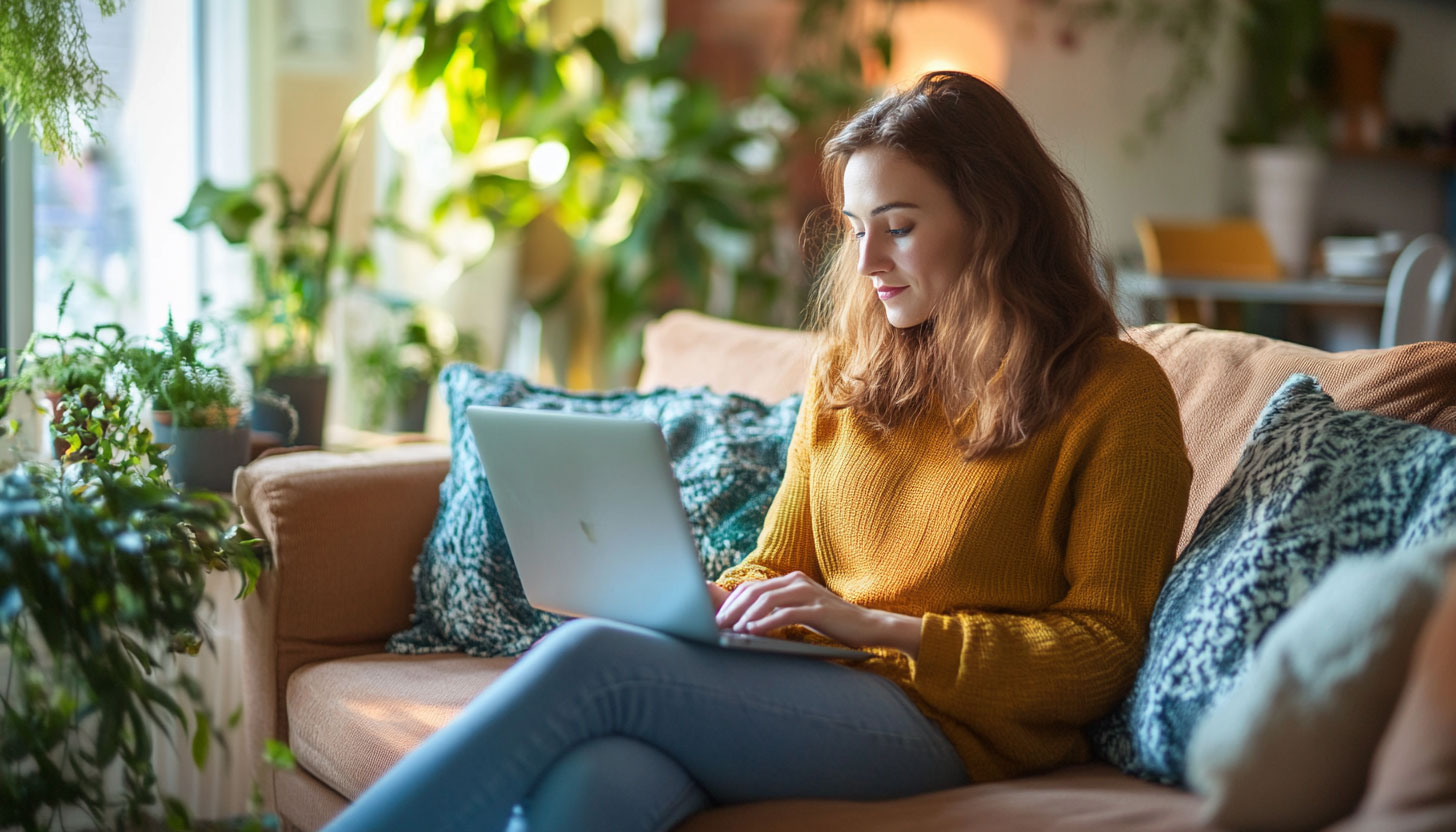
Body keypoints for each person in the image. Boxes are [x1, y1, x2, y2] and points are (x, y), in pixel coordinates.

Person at [323, 70, 1192, 832]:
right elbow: (779, 561)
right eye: (854, 228)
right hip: (818, 688)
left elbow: (1099, 652)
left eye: (897, 225)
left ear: (992, 221)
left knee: (592, 668)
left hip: (955, 728)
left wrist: (873, 625)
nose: (868, 261)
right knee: (598, 783)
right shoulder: (852, 374)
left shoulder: (1115, 395)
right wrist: (692, 606)